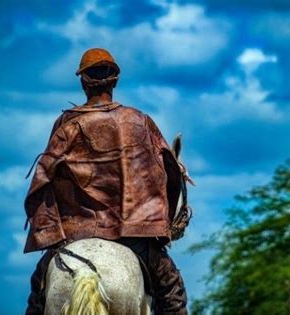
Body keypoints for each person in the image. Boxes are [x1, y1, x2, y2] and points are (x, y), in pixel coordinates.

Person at [24, 48, 191, 315]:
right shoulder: (140, 121)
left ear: (82, 81)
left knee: (38, 292)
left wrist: (52, 233)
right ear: (115, 80)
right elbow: (169, 172)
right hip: (133, 235)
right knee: (171, 293)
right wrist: (162, 226)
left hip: (73, 236)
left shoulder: (65, 125)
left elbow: (43, 181)